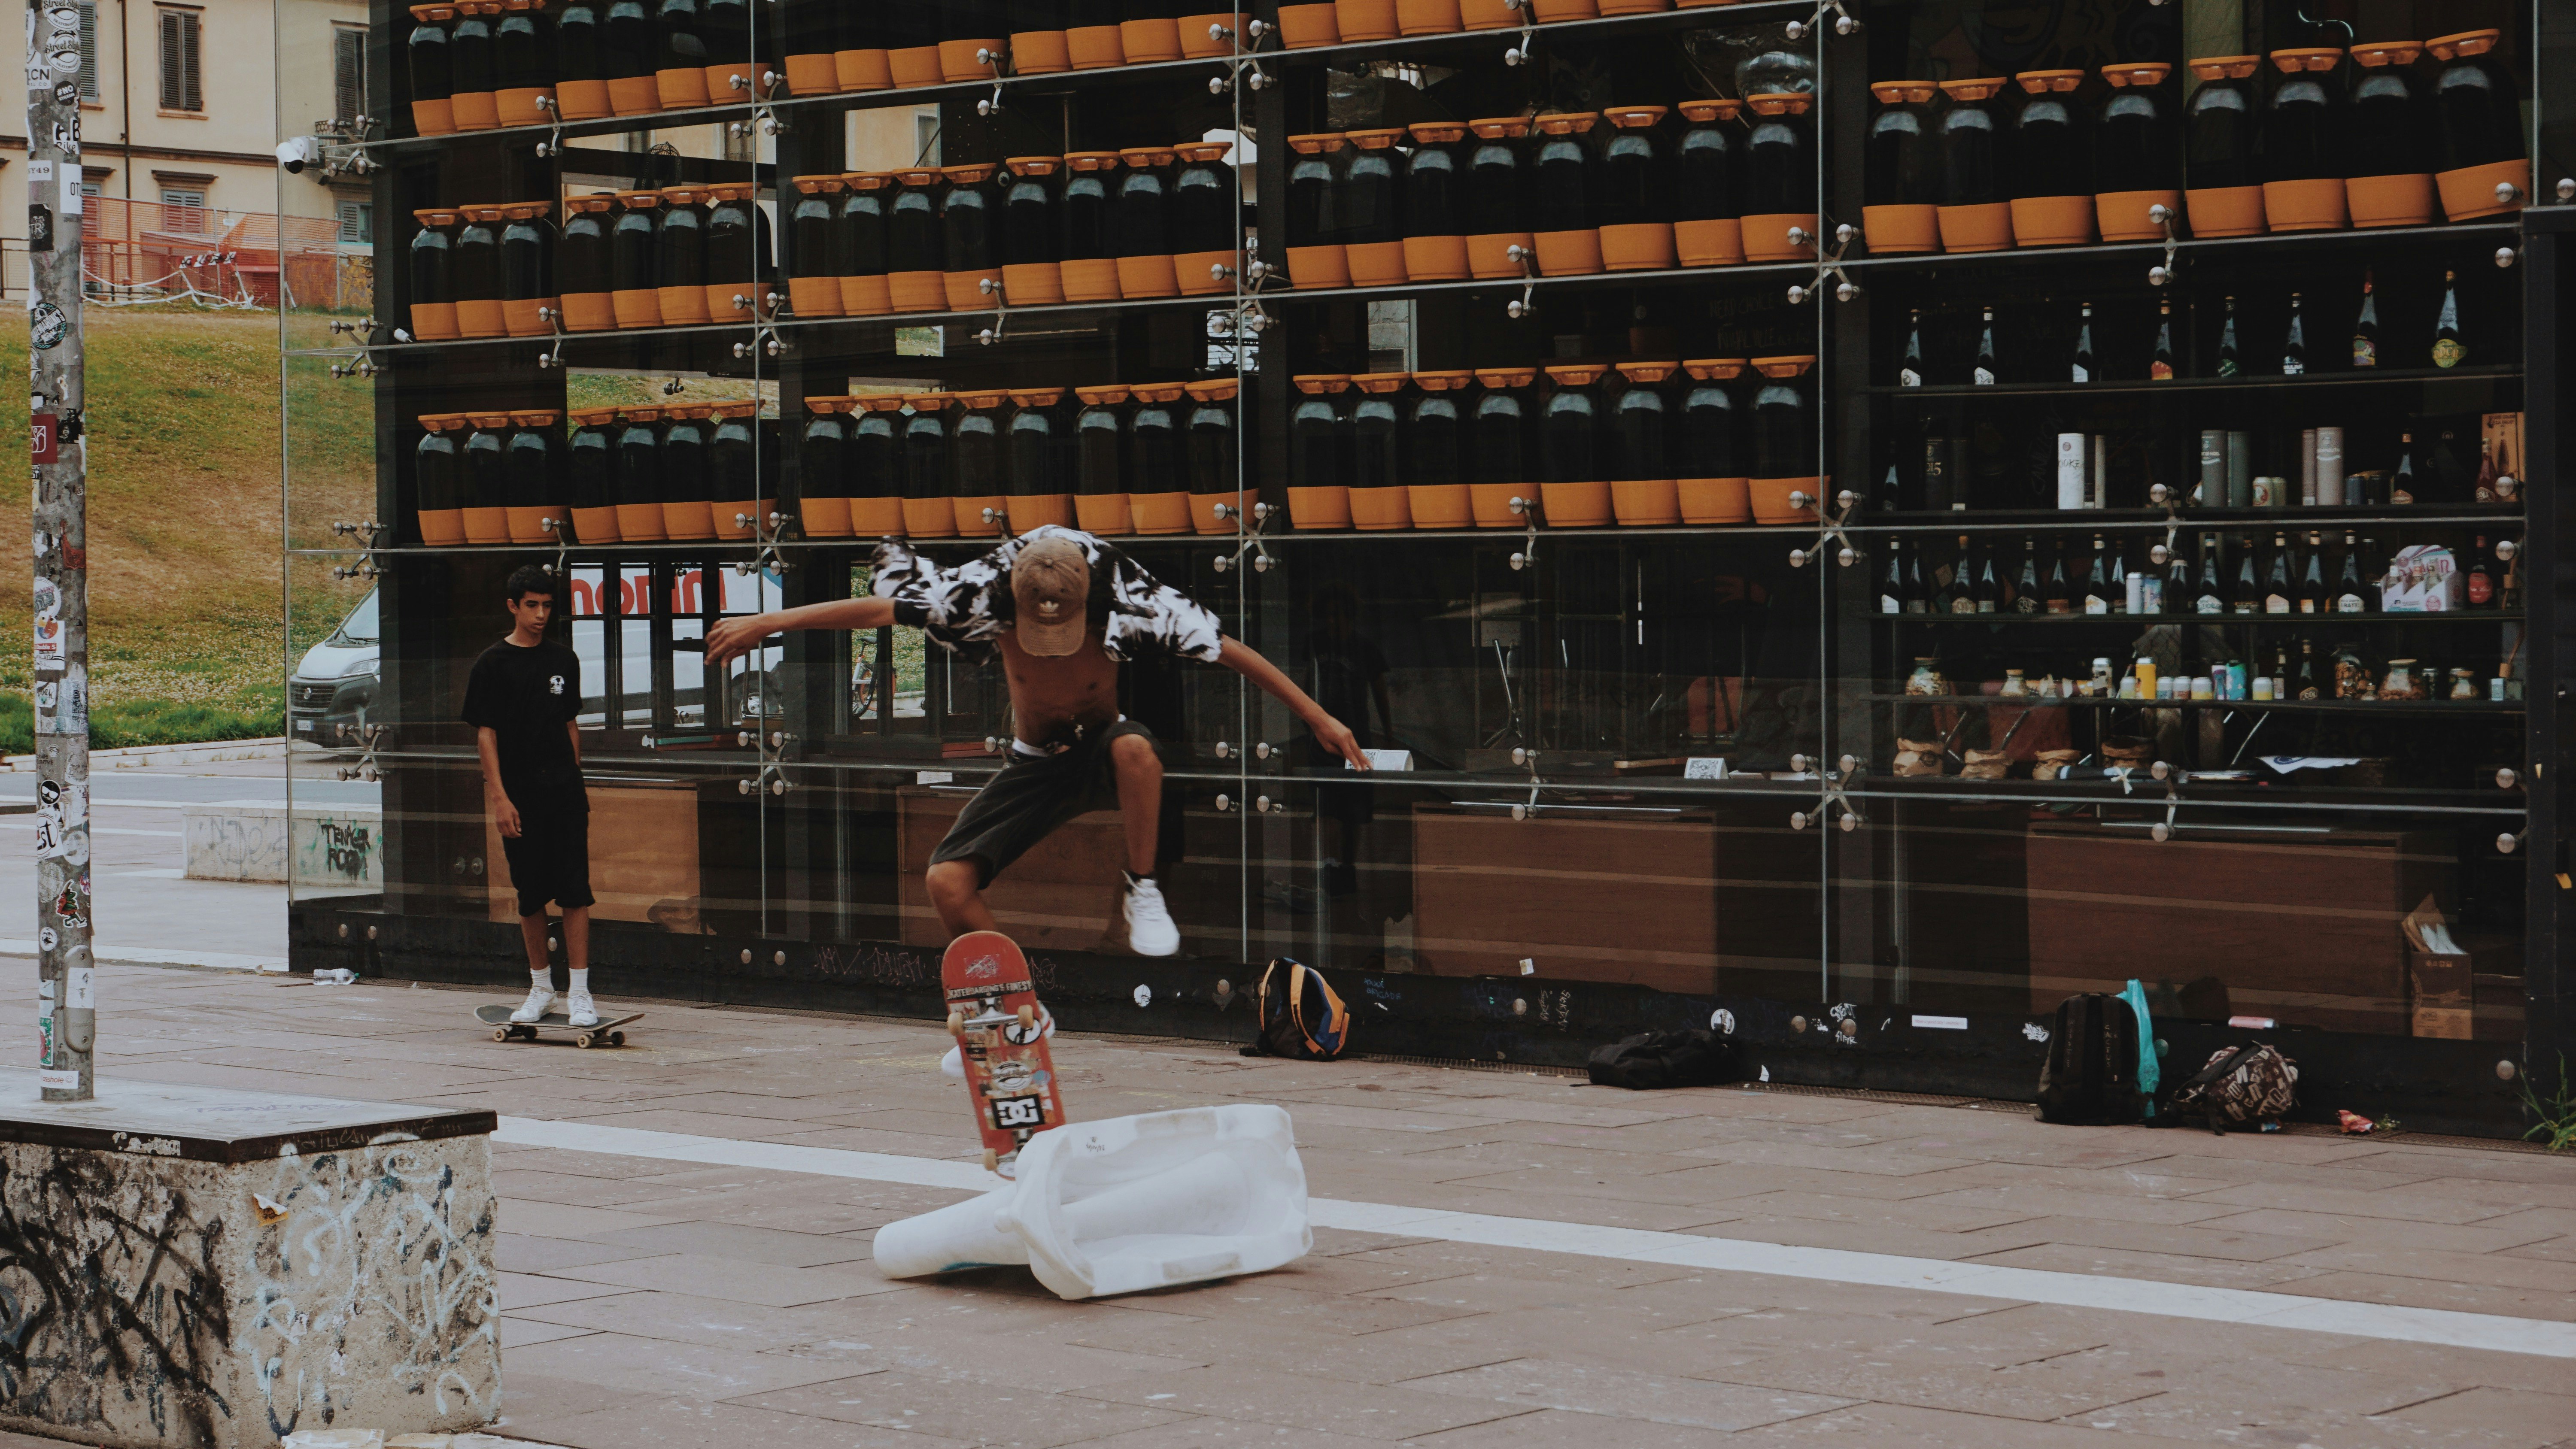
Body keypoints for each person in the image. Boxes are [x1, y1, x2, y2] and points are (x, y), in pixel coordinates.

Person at [707, 526, 1369, 955]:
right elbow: (878, 610)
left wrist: (1321, 718)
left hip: (1105, 745)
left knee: (1137, 749)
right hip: (1033, 760)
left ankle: (1142, 886)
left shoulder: (1132, 598)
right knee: (946, 882)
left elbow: (1232, 653)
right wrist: (766, 622)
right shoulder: (979, 595)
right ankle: (1013, 1001)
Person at [464, 564, 600, 1026]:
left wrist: (573, 779)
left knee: (575, 892)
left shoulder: (565, 660)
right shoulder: (492, 664)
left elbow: (569, 724)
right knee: (530, 894)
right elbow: (487, 736)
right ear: (513, 606)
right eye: (532, 606)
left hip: (563, 792)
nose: (541, 615)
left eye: (547, 606)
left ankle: (580, 993)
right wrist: (500, 798)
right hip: (519, 796)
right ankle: (541, 988)